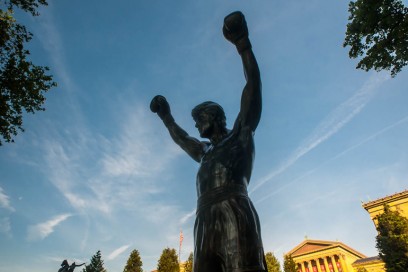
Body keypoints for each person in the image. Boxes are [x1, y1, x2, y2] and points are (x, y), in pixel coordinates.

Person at [151, 11, 267, 272]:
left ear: (213, 117)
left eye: (198, 118)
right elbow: (181, 138)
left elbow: (253, 87)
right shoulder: (204, 151)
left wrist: (242, 44)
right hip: (204, 219)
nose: (195, 124)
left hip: (233, 210)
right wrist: (165, 116)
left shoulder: (241, 133)